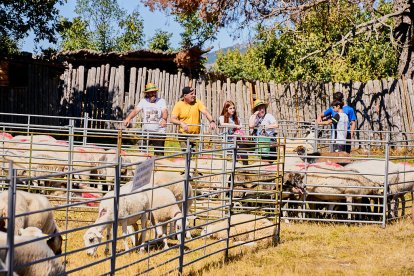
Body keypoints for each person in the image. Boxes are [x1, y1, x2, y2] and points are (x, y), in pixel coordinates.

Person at [123, 82, 168, 156]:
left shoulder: (161, 101)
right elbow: (135, 111)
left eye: (154, 92)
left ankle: (157, 166)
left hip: (159, 132)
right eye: (150, 92)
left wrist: (164, 119)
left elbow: (165, 111)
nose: (153, 94)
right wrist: (128, 119)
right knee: (142, 153)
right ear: (147, 93)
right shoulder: (143, 101)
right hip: (146, 132)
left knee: (159, 154)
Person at [170, 86, 216, 150]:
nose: (194, 95)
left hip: (195, 136)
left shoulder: (197, 102)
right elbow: (172, 119)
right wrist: (181, 123)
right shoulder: (179, 105)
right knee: (186, 153)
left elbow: (206, 112)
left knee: (195, 155)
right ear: (185, 96)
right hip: (183, 135)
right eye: (191, 94)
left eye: (194, 93)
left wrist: (212, 121)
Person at [218, 100, 248, 164]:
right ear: (226, 109)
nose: (233, 110)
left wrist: (238, 130)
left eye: (233, 108)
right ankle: (233, 166)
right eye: (230, 108)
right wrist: (234, 125)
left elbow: (240, 126)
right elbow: (222, 124)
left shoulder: (237, 119)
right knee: (235, 150)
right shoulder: (222, 117)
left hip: (236, 140)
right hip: (227, 141)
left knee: (243, 149)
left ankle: (245, 166)